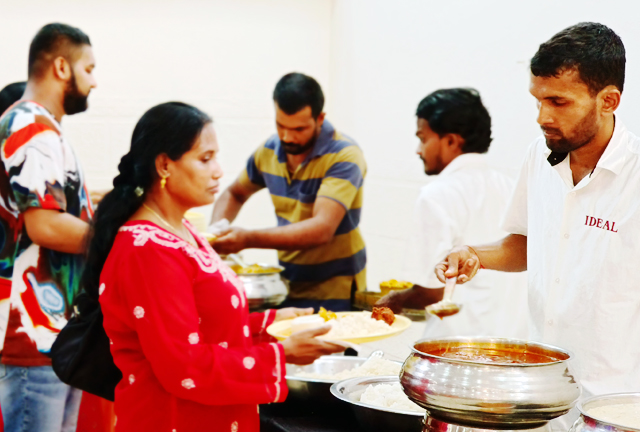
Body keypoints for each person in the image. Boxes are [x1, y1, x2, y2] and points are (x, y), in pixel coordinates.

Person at [84, 102, 345, 431]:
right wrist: (282, 353)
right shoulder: (148, 249)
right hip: (173, 419)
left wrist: (271, 323)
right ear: (165, 165)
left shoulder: (182, 230)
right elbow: (185, 366)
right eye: (205, 159)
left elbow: (204, 328)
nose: (219, 171)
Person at [436, 23, 638, 429]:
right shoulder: (540, 156)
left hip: (618, 404)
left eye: (558, 102)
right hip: (543, 395)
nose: (543, 116)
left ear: (608, 101)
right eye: (538, 100)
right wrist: (476, 254)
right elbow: (527, 244)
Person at [0, 23, 96, 432]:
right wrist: (120, 240)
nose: (94, 81)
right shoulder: (30, 127)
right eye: (88, 69)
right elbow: (47, 227)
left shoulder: (42, 128)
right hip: (32, 334)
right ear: (61, 67)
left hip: (55, 333)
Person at [375, 88, 528, 339]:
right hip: (512, 345)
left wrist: (395, 300)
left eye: (423, 138)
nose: (418, 150)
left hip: (457, 349)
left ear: (451, 141)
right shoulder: (509, 186)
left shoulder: (437, 194)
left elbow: (431, 292)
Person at [211, 73, 367, 311]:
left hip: (336, 287)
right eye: (280, 126)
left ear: (320, 118)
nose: (287, 137)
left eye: (299, 129)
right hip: (288, 282)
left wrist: (247, 239)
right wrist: (215, 234)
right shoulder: (270, 150)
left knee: (333, 347)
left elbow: (322, 229)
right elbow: (235, 193)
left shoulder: (344, 155)